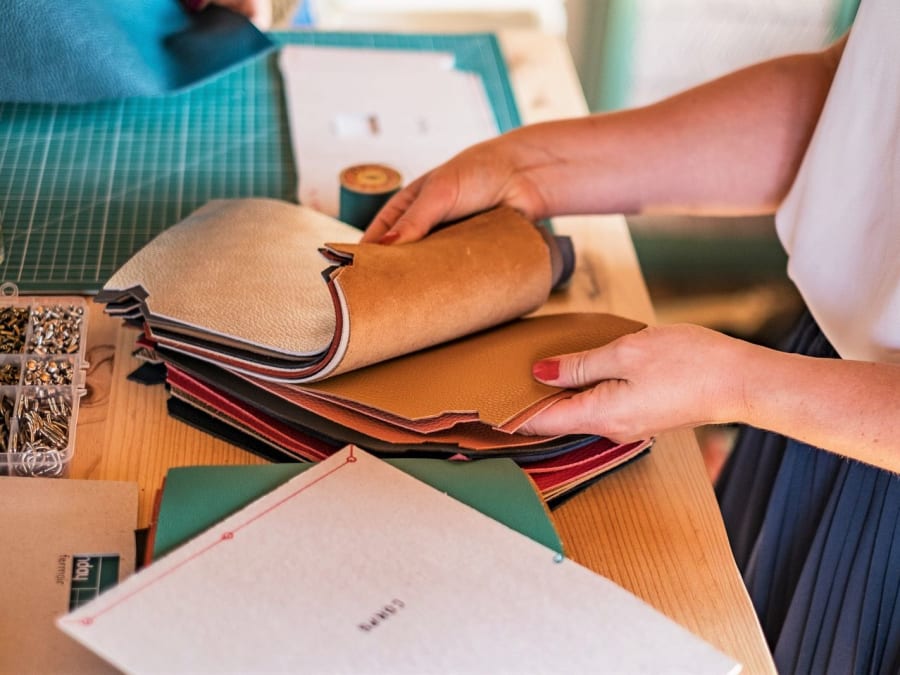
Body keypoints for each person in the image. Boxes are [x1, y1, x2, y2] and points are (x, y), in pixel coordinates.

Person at [361, 1, 900, 673]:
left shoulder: (754, 385)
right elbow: (858, 102)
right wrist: (528, 167)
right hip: (821, 400)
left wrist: (740, 382)